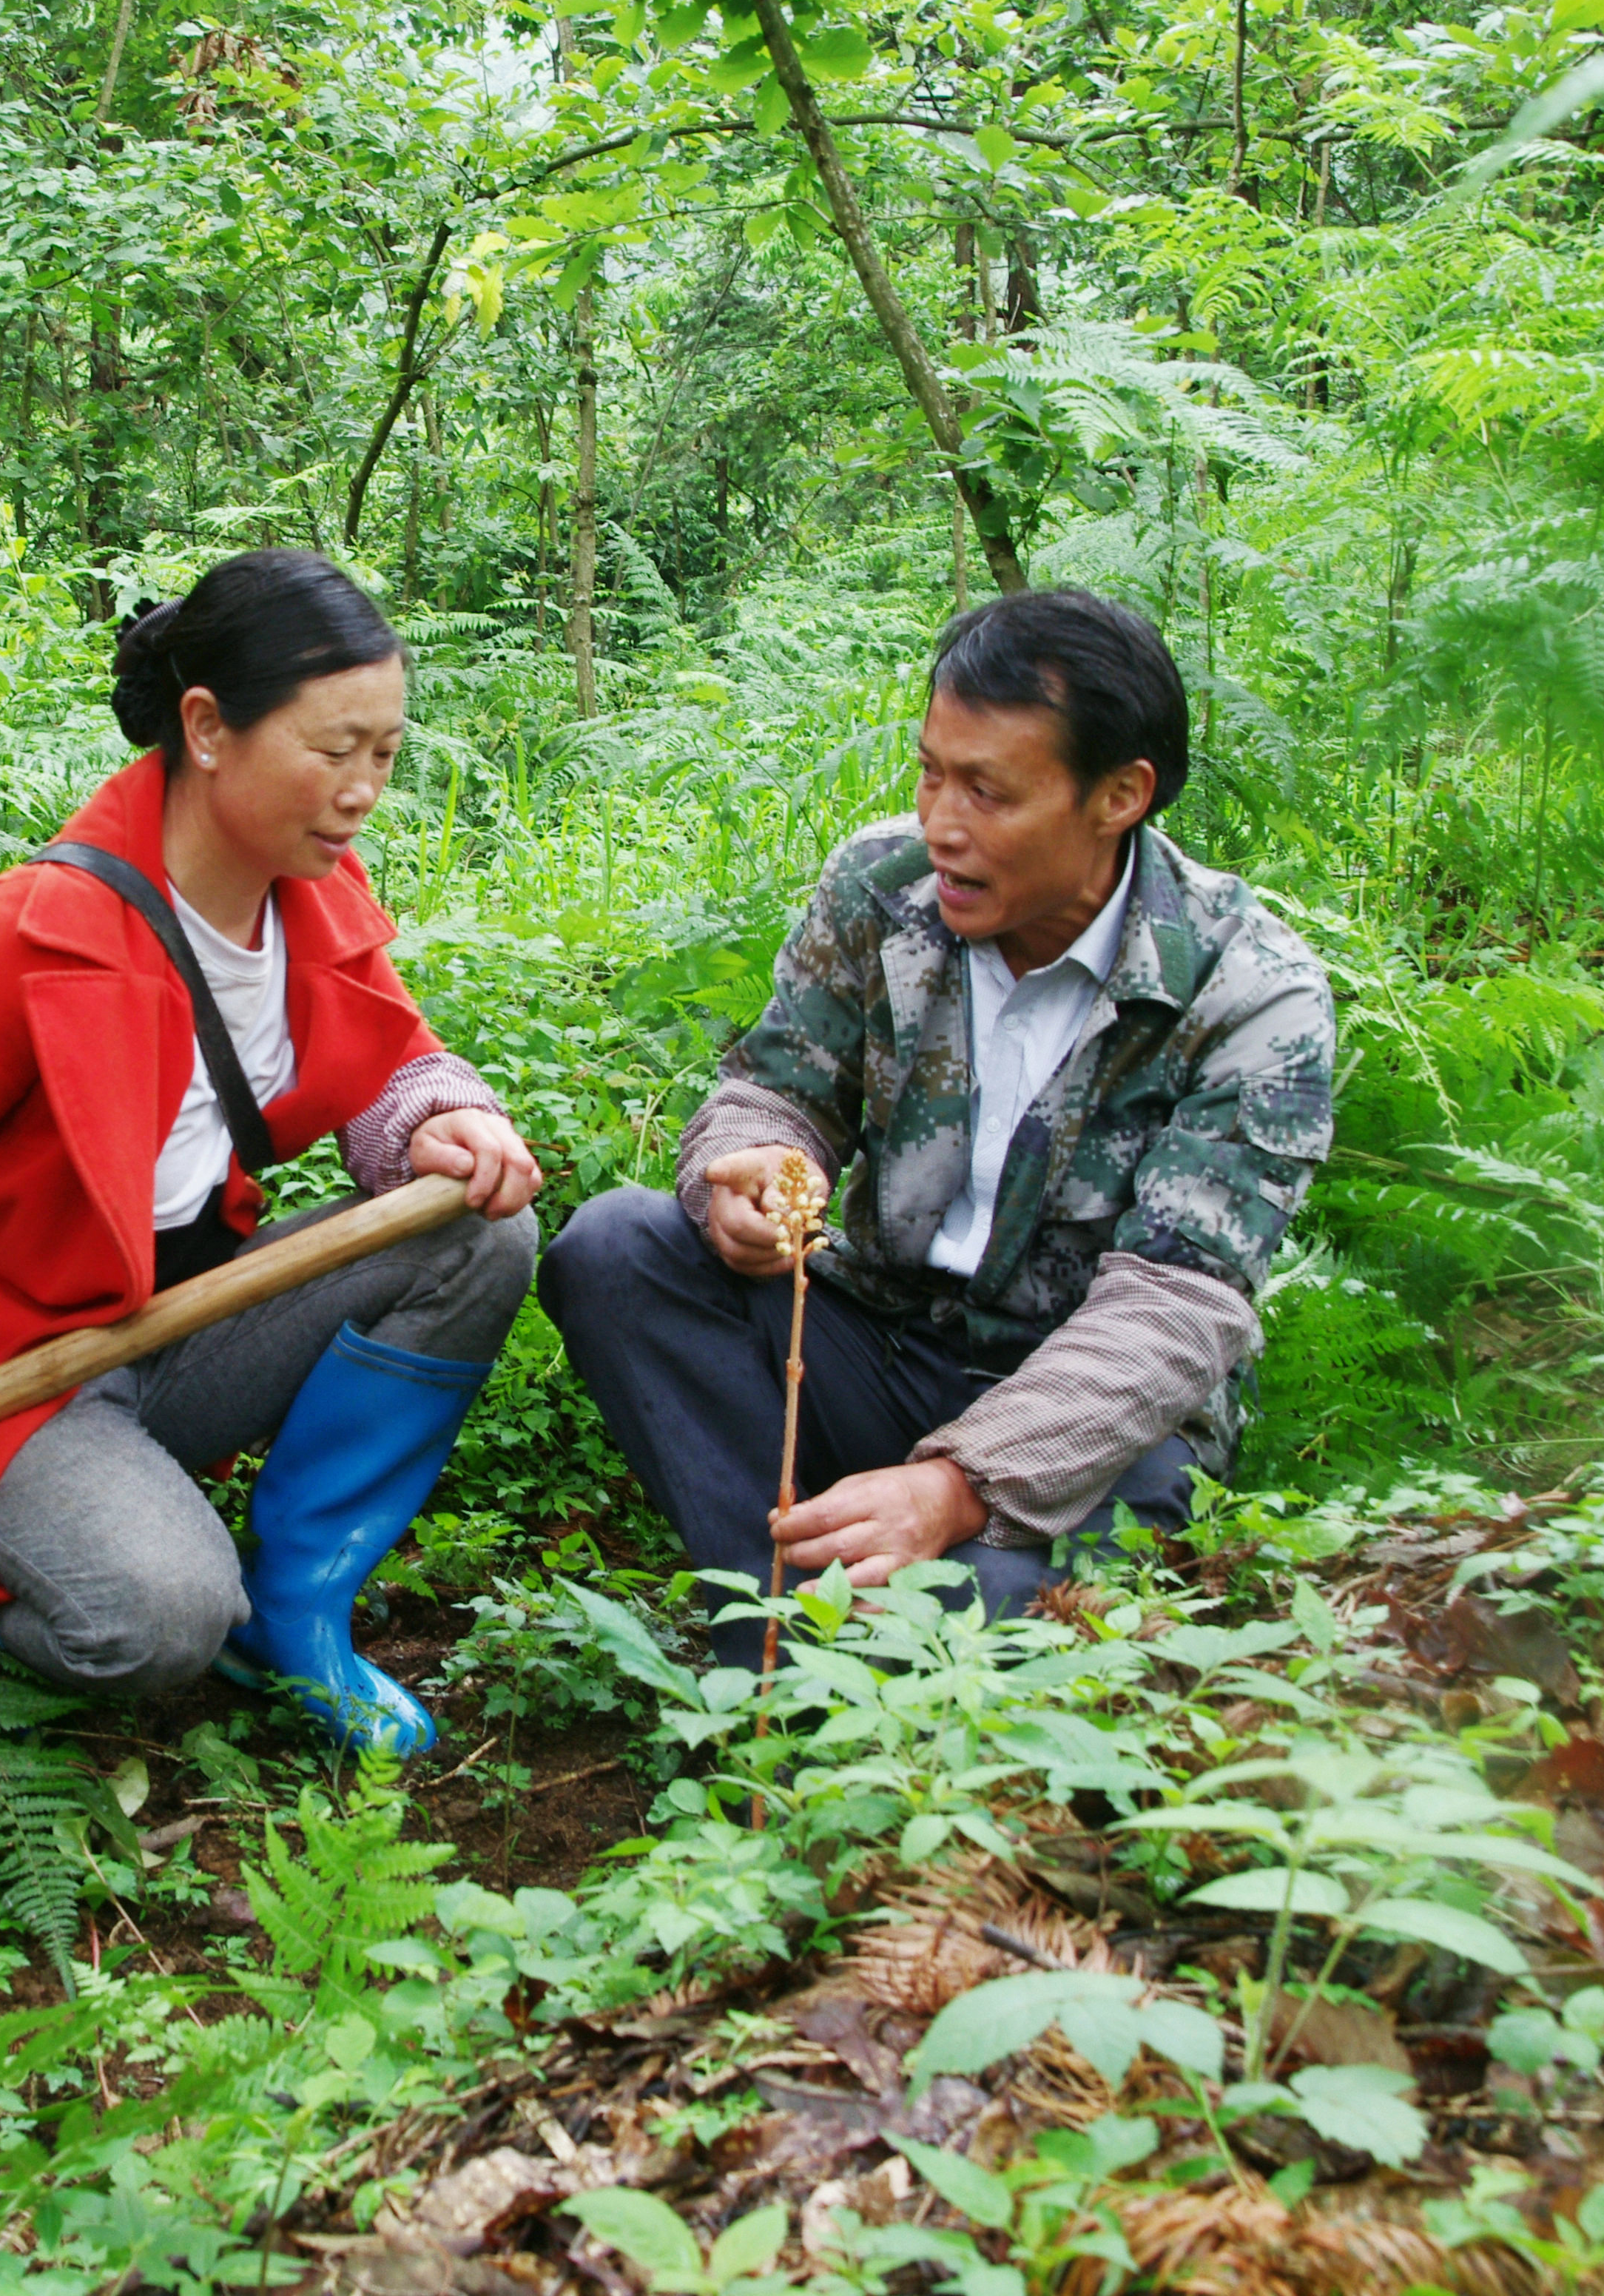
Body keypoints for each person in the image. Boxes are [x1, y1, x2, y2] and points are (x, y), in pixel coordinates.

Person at [0, 548, 543, 1756]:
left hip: (167, 1329)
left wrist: (443, 1116)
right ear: (208, 728)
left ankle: (291, 1609)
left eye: (383, 754)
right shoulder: (29, 939)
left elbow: (391, 1056)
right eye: (333, 751)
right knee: (157, 1618)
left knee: (479, 1227)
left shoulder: (310, 895)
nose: (362, 790)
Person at [539, 588, 1333, 1670]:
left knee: (1011, 1614)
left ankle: (868, 1634)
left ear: (1120, 797)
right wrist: (751, 1171)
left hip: (1095, 1414)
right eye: (931, 773)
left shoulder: (1248, 993)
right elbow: (779, 1087)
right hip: (878, 1340)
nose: (942, 822)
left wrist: (962, 1486)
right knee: (617, 1249)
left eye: (989, 792)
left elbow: (1178, 1307)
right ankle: (770, 1638)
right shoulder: (885, 884)